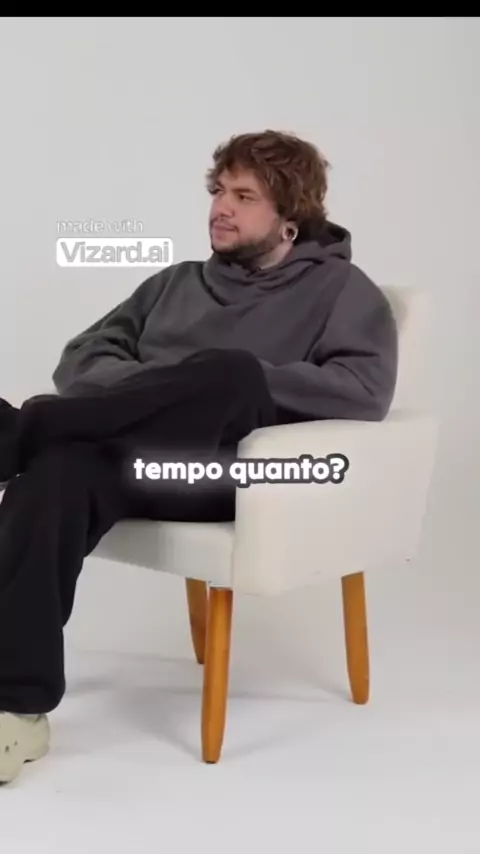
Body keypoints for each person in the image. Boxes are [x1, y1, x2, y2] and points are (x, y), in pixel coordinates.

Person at [0, 129, 398, 784]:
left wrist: (239, 383)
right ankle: (15, 709)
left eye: (244, 196)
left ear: (290, 217)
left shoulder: (343, 291)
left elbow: (363, 391)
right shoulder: (175, 282)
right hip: (132, 460)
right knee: (52, 478)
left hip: (228, 474)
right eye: (219, 191)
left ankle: (22, 431)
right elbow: (81, 358)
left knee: (232, 373)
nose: (222, 207)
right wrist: (157, 394)